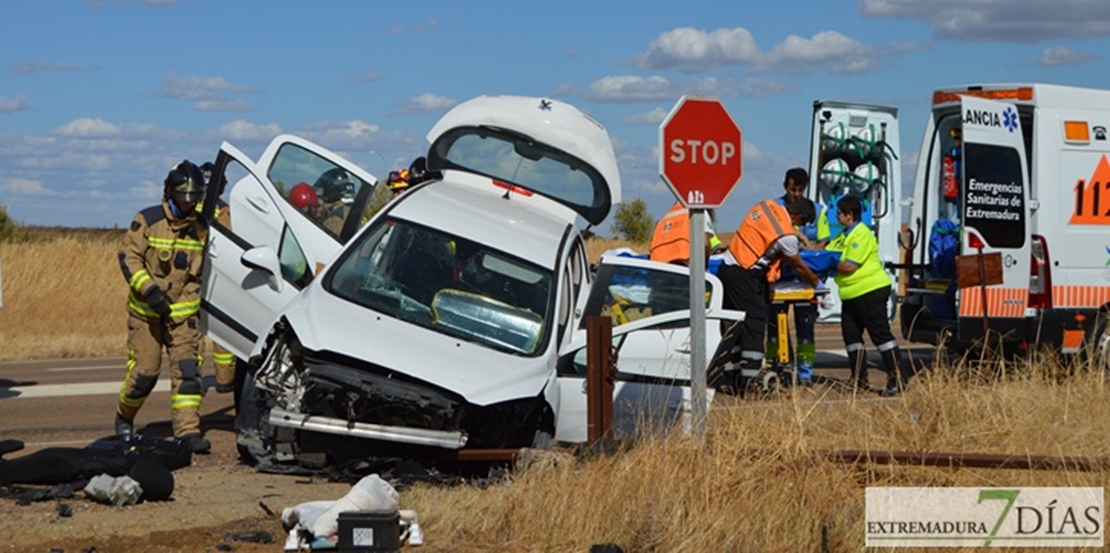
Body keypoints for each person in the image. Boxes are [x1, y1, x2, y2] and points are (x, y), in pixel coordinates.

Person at [115, 160, 211, 453]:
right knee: (145, 373)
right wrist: (151, 291)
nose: (189, 202)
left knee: (188, 373)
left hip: (183, 317)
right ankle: (124, 418)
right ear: (170, 192)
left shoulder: (201, 228)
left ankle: (187, 431)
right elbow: (128, 258)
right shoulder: (147, 220)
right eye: (184, 196)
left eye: (195, 197)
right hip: (146, 314)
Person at [713, 197, 821, 393]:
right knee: (754, 322)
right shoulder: (786, 237)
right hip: (744, 273)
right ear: (797, 217)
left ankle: (731, 378)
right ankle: (751, 382)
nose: (800, 227)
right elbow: (798, 265)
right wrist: (817, 283)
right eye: (801, 223)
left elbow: (761, 233)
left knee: (734, 326)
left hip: (727, 269)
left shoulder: (767, 206)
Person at [827, 194, 912, 396]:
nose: (836, 216)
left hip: (870, 291)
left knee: (880, 336)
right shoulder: (842, 236)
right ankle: (858, 379)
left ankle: (897, 377)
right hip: (851, 295)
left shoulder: (861, 234)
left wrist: (828, 262)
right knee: (851, 337)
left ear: (849, 215)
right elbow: (826, 252)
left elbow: (848, 266)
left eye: (839, 213)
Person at [766, 168, 819, 385]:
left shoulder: (815, 210)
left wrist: (811, 247)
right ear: (785, 185)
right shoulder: (775, 208)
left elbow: (822, 240)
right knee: (775, 327)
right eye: (792, 189)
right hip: (777, 278)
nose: (796, 193)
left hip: (803, 278)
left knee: (805, 328)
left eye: (800, 190)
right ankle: (776, 367)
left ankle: (805, 374)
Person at [198, 162, 237, 396]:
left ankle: (192, 376)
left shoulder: (190, 210)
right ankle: (225, 380)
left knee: (193, 331)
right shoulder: (226, 212)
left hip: (193, 277)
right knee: (222, 330)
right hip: (219, 277)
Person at [649, 201, 722, 265]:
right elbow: (704, 244)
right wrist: (704, 268)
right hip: (683, 269)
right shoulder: (698, 212)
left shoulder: (664, 219)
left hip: (658, 269)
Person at [314, 168, 357, 236]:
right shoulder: (350, 210)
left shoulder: (335, 218)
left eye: (322, 192)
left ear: (330, 191)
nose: (320, 197)